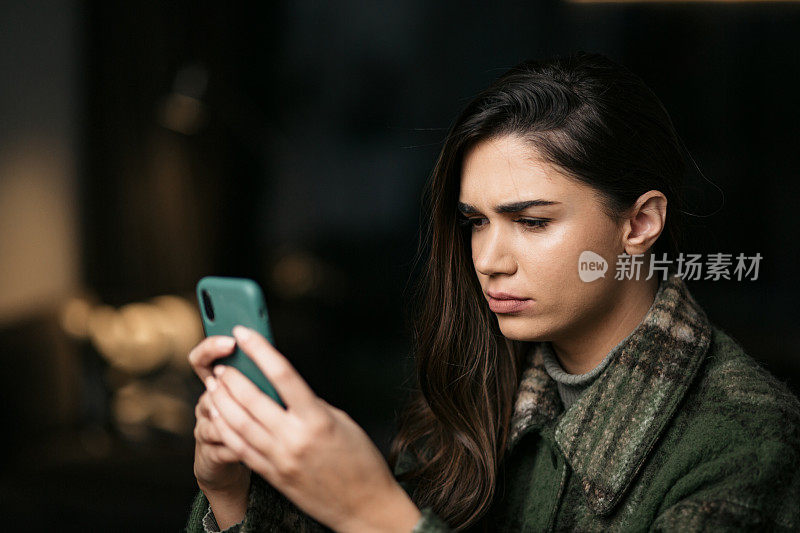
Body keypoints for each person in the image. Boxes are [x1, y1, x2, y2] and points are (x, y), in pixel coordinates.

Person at [184, 51, 800, 532]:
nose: (488, 260)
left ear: (639, 223)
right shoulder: (471, 389)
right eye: (475, 222)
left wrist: (374, 513)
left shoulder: (748, 441)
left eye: (532, 222)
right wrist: (233, 494)